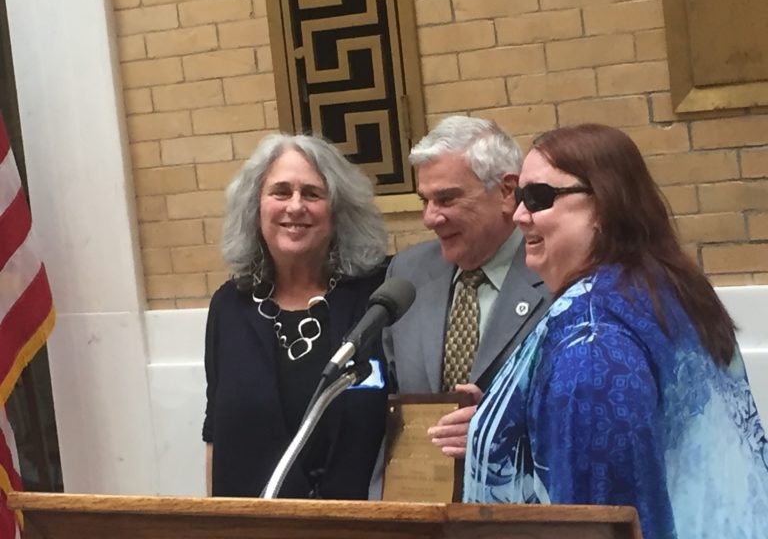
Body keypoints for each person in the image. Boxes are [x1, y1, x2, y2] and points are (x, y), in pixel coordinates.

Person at [463, 123, 768, 539]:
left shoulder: (591, 342)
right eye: (519, 197)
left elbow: (602, 520)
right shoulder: (665, 287)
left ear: (604, 205)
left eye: (538, 198)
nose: (518, 215)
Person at [203, 133, 389, 499]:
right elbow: (215, 435)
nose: (295, 206)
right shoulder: (228, 306)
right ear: (256, 208)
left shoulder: (378, 297)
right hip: (258, 527)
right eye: (281, 192)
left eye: (312, 193)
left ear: (338, 211)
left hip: (360, 525)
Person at [383, 115, 551, 458]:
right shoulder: (408, 273)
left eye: (446, 200)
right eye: (424, 201)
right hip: (419, 495)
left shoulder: (555, 274)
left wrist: (502, 428)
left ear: (507, 192)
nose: (430, 218)